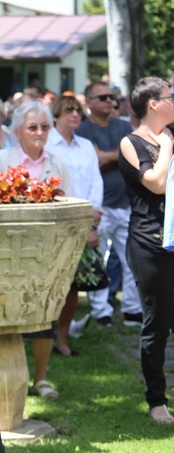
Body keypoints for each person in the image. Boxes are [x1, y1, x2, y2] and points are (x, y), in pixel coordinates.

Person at [0, 100, 73, 399]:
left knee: (44, 314)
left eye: (45, 127)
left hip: (45, 250)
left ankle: (40, 378)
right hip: (6, 249)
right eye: (32, 127)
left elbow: (68, 205)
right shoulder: (0, 160)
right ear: (18, 131)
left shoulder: (58, 162)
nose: (39, 133)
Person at [118, 77, 174, 423]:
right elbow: (155, 183)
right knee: (158, 323)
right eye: (171, 95)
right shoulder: (131, 142)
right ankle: (156, 400)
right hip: (149, 243)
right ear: (154, 103)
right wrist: (166, 144)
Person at [76, 81, 142, 328]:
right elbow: (97, 160)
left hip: (128, 203)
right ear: (89, 102)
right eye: (102, 97)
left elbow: (135, 155)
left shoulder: (124, 125)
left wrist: (110, 156)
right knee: (98, 260)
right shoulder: (83, 131)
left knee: (131, 259)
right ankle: (101, 311)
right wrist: (120, 154)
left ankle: (133, 309)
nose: (109, 101)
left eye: (111, 97)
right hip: (100, 206)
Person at [46, 94, 104, 356]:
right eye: (68, 110)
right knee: (49, 284)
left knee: (72, 286)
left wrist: (92, 221)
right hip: (54, 223)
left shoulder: (86, 145)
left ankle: (62, 338)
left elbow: (95, 182)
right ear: (56, 115)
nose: (75, 114)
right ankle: (42, 337)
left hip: (83, 222)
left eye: (78, 110)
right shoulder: (46, 145)